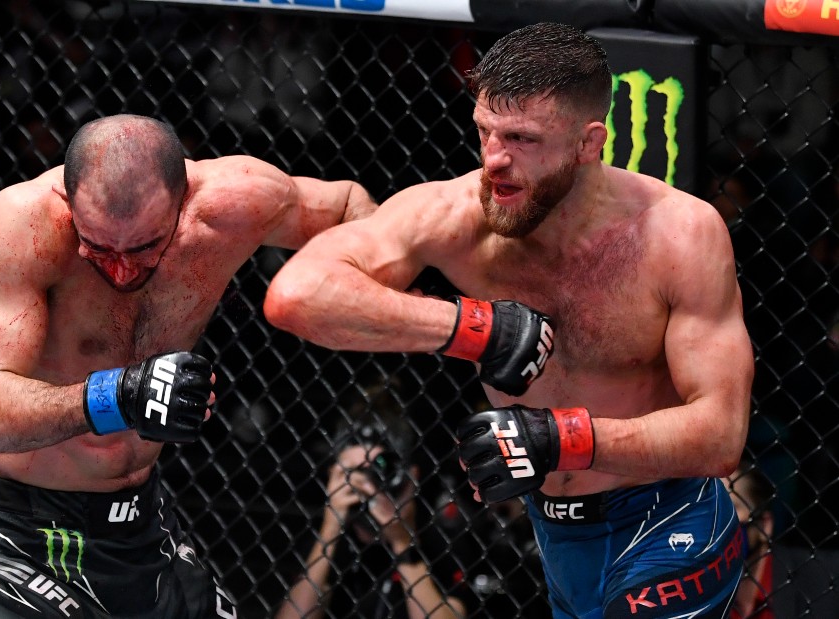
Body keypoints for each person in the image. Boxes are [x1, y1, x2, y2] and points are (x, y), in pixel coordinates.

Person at [264, 22, 755, 618]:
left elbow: (721, 433)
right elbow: (296, 294)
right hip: (553, 531)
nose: (494, 159)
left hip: (666, 518)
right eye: (484, 131)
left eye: (521, 138)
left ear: (588, 142)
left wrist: (562, 438)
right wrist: (474, 328)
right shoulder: (458, 215)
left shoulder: (680, 234)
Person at [0, 113, 377, 618]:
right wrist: (120, 395)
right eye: (98, 247)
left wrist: (392, 292)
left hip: (141, 520)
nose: (121, 268)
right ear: (69, 204)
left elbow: (355, 210)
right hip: (26, 526)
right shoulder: (26, 224)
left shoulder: (233, 202)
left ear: (184, 203)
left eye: (144, 246)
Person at [276, 414, 474, 618]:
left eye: (379, 471)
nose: (368, 486)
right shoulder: (327, 545)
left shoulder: (440, 543)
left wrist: (403, 542)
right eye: (355, 472)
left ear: (408, 477)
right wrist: (331, 528)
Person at [725, 459, 839, 618]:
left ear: (764, 526)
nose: (715, 522)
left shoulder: (825, 578)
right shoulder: (692, 593)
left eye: (727, 507)